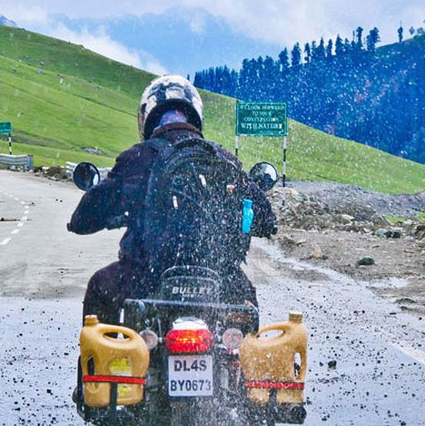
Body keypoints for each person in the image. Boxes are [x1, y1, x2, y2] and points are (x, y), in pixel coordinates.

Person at [68, 75, 276, 325]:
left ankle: (110, 363)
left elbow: (82, 221)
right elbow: (266, 221)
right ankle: (238, 361)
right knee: (245, 312)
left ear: (148, 118)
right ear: (195, 115)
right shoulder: (221, 158)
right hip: (219, 280)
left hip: (146, 278)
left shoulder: (136, 158)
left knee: (99, 288)